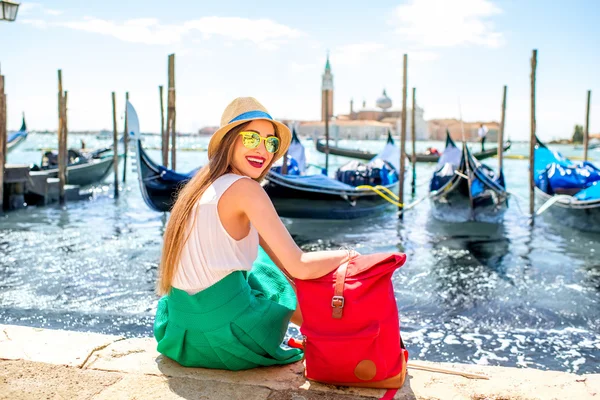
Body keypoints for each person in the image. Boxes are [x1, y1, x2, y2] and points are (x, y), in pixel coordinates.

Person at [153, 97, 357, 370]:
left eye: (270, 142)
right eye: (251, 138)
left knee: (261, 261)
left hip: (179, 336)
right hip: (230, 340)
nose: (263, 149)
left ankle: (323, 330)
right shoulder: (247, 189)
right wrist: (349, 255)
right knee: (264, 267)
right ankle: (330, 333)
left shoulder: (194, 190)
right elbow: (298, 265)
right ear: (230, 141)